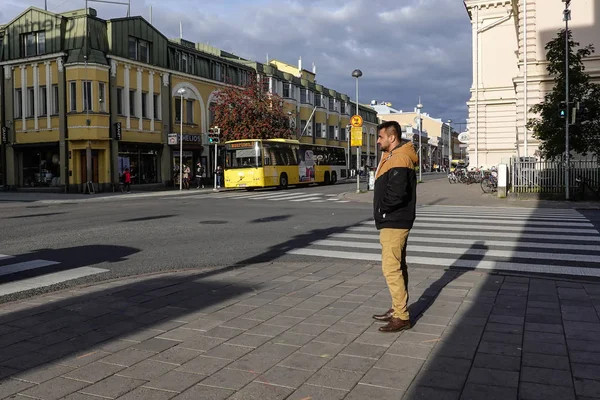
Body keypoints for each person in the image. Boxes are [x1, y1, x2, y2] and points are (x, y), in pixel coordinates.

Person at [372, 120, 418, 333]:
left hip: (394, 219)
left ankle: (401, 315)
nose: (378, 140)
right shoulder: (394, 156)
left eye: (381, 136)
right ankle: (397, 307)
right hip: (396, 218)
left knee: (391, 267)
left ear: (392, 137)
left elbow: (397, 193)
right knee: (399, 266)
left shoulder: (399, 158)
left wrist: (383, 210)